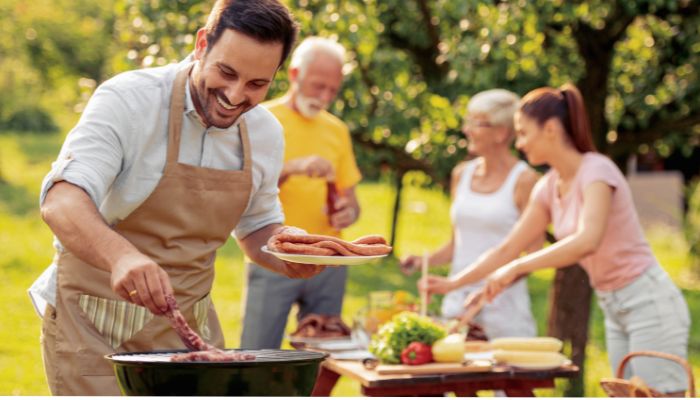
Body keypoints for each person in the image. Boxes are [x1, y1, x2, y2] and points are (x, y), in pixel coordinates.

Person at [29, 0, 325, 395]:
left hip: (190, 330)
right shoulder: (129, 100)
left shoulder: (265, 133)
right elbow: (62, 200)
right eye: (227, 72)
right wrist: (122, 257)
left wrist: (292, 256)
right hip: (93, 325)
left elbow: (257, 228)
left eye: (257, 84)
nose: (236, 96)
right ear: (202, 44)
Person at [421, 84, 690, 395]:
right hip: (613, 305)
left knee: (659, 396)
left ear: (550, 129)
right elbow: (508, 247)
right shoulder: (548, 186)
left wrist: (514, 268)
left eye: (523, 133)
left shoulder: (596, 171)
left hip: (648, 301)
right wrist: (454, 284)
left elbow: (587, 240)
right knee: (626, 395)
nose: (519, 144)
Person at [240, 37, 362, 350]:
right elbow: (243, 191)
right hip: (271, 254)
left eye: (332, 90)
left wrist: (348, 210)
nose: (324, 97)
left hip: (329, 262)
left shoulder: (336, 130)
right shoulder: (259, 119)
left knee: (322, 356)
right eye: (318, 86)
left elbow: (351, 199)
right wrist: (292, 167)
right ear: (294, 74)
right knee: (258, 352)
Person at [401, 89, 539, 339]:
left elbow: (533, 254)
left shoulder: (525, 180)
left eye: (476, 123)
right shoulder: (461, 174)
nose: (466, 130)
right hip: (457, 304)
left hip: (503, 310)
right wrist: (424, 261)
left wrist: (492, 287)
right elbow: (458, 244)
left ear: (501, 132)